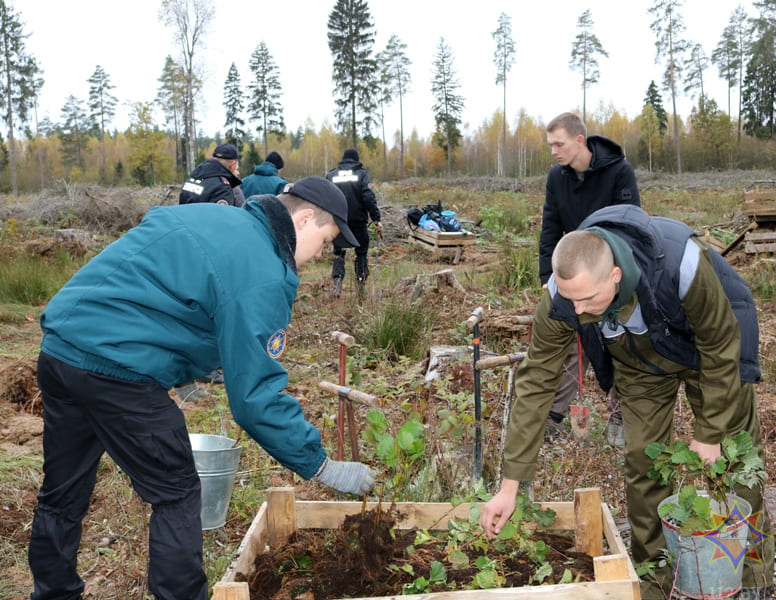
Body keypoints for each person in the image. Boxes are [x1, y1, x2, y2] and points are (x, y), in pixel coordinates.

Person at [28, 176, 374, 600]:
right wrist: (321, 465)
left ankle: (53, 593)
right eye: (327, 239)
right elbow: (256, 397)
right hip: (117, 370)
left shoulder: (209, 216)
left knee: (62, 491)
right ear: (304, 219)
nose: (323, 254)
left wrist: (182, 368)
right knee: (176, 491)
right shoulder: (262, 272)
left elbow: (151, 284)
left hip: (62, 348)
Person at [481, 205, 773, 599]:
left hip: (713, 350)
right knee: (643, 460)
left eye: (587, 299)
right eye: (571, 301)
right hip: (640, 362)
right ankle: (656, 578)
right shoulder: (563, 297)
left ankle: (752, 575)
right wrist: (510, 484)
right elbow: (536, 383)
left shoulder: (680, 264)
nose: (578, 311)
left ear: (615, 275)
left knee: (737, 464)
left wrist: (709, 433)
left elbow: (721, 346)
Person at [540, 112, 640, 446]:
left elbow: (631, 225)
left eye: (559, 143)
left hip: (610, 274)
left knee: (620, 343)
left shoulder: (619, 172)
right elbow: (551, 229)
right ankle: (554, 417)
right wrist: (547, 277)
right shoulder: (557, 178)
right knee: (570, 343)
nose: (554, 151)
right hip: (572, 273)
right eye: (550, 144)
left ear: (580, 140)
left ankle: (621, 417)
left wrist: (614, 281)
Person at [325, 148, 381, 298]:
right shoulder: (362, 174)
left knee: (339, 253)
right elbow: (368, 197)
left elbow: (325, 197)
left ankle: (337, 284)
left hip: (338, 221)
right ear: (356, 160)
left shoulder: (331, 175)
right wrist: (376, 218)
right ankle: (361, 286)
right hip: (358, 221)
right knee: (361, 253)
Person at [179, 143, 244, 207]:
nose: (238, 173)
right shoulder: (222, 188)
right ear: (232, 164)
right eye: (237, 168)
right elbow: (222, 216)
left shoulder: (194, 177)